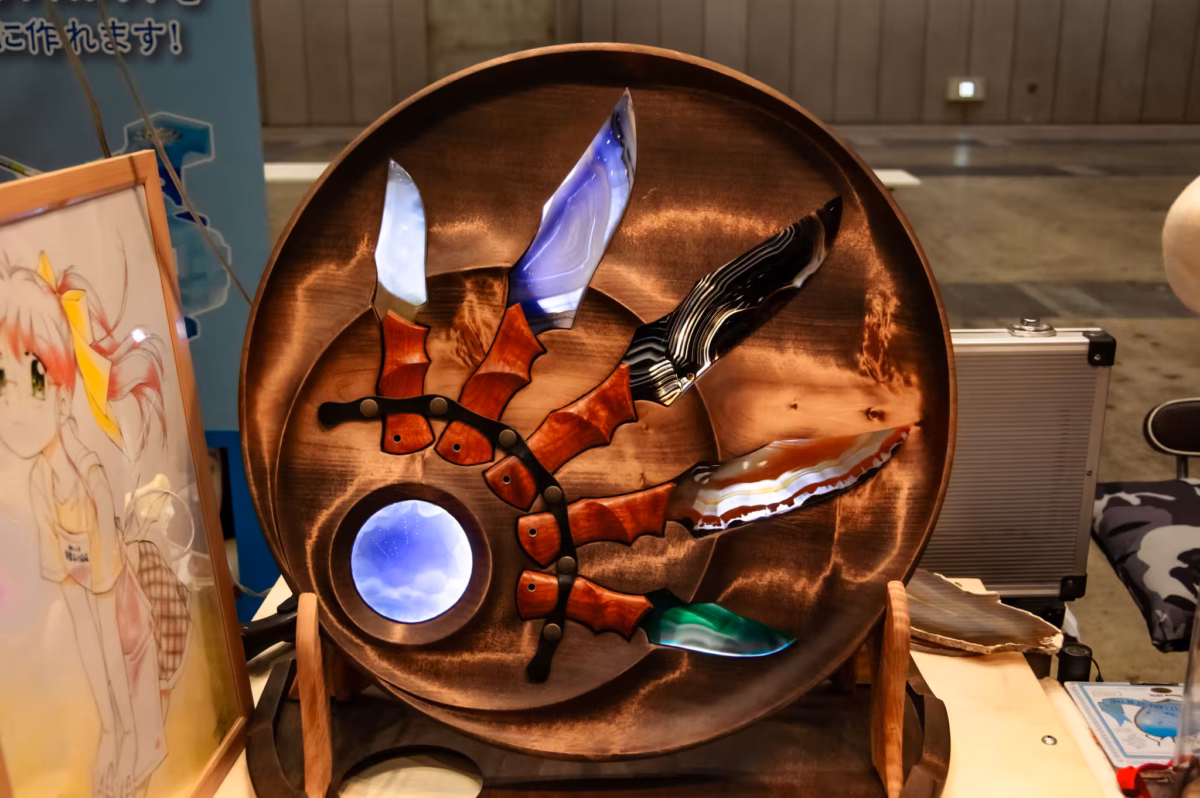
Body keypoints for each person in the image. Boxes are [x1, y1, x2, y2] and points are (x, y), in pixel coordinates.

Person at [0, 252, 184, 798]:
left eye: (30, 378)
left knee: (140, 776)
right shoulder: (40, 486)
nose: (11, 408)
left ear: (60, 388)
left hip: (139, 638)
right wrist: (108, 726)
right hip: (105, 643)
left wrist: (123, 731)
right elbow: (80, 618)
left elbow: (108, 622)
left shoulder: (92, 480)